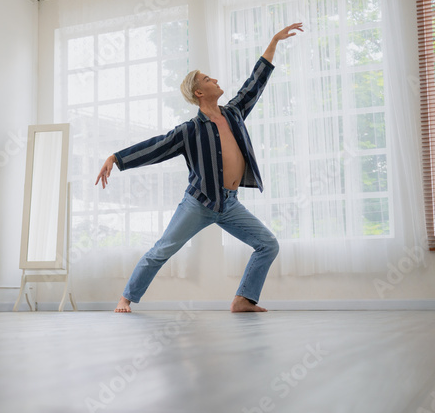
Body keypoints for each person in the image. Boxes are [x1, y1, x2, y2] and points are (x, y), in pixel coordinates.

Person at [95, 23, 304, 313]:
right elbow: (156, 146)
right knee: (162, 250)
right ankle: (125, 298)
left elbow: (254, 84)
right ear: (199, 92)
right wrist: (116, 158)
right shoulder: (190, 130)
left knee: (268, 244)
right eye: (208, 78)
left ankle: (243, 299)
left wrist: (273, 43)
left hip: (230, 205)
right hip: (199, 203)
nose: (215, 79)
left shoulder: (233, 113)